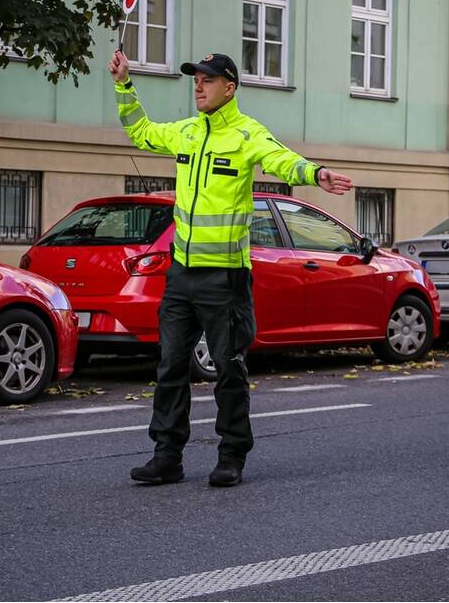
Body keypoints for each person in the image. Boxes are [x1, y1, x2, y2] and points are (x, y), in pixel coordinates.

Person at [109, 50, 353, 487]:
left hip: (226, 275)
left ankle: (232, 455)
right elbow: (141, 132)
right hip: (182, 273)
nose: (197, 86)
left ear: (229, 87)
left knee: (229, 368)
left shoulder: (246, 133)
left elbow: (282, 160)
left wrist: (316, 174)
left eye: (206, 79)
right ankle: (167, 456)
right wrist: (124, 85)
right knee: (170, 366)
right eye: (195, 79)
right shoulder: (186, 132)